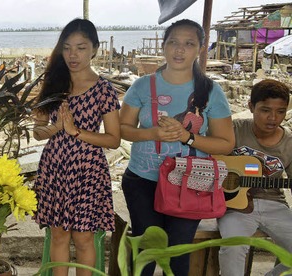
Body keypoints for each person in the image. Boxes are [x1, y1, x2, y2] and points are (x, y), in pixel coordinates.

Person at [119, 19, 235, 276]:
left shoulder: (211, 91)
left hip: (190, 182)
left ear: (201, 49)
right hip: (142, 180)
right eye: (173, 42)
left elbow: (226, 143)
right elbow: (122, 129)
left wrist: (187, 137)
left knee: (178, 255)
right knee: (145, 252)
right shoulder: (142, 86)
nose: (179, 50)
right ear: (163, 46)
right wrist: (153, 133)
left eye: (188, 44)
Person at [33, 18, 121, 276]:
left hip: (88, 170)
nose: (73, 55)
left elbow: (114, 139)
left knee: (84, 239)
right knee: (58, 236)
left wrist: (75, 131)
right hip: (55, 168)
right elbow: (38, 133)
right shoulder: (52, 83)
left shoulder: (104, 89)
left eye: (81, 47)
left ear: (94, 49)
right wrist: (57, 129)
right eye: (68, 47)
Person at [218, 79, 292, 276]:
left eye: (281, 111)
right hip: (234, 207)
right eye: (265, 110)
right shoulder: (235, 129)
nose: (273, 118)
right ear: (251, 106)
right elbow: (210, 160)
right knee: (232, 248)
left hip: (275, 205)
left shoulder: (290, 143)